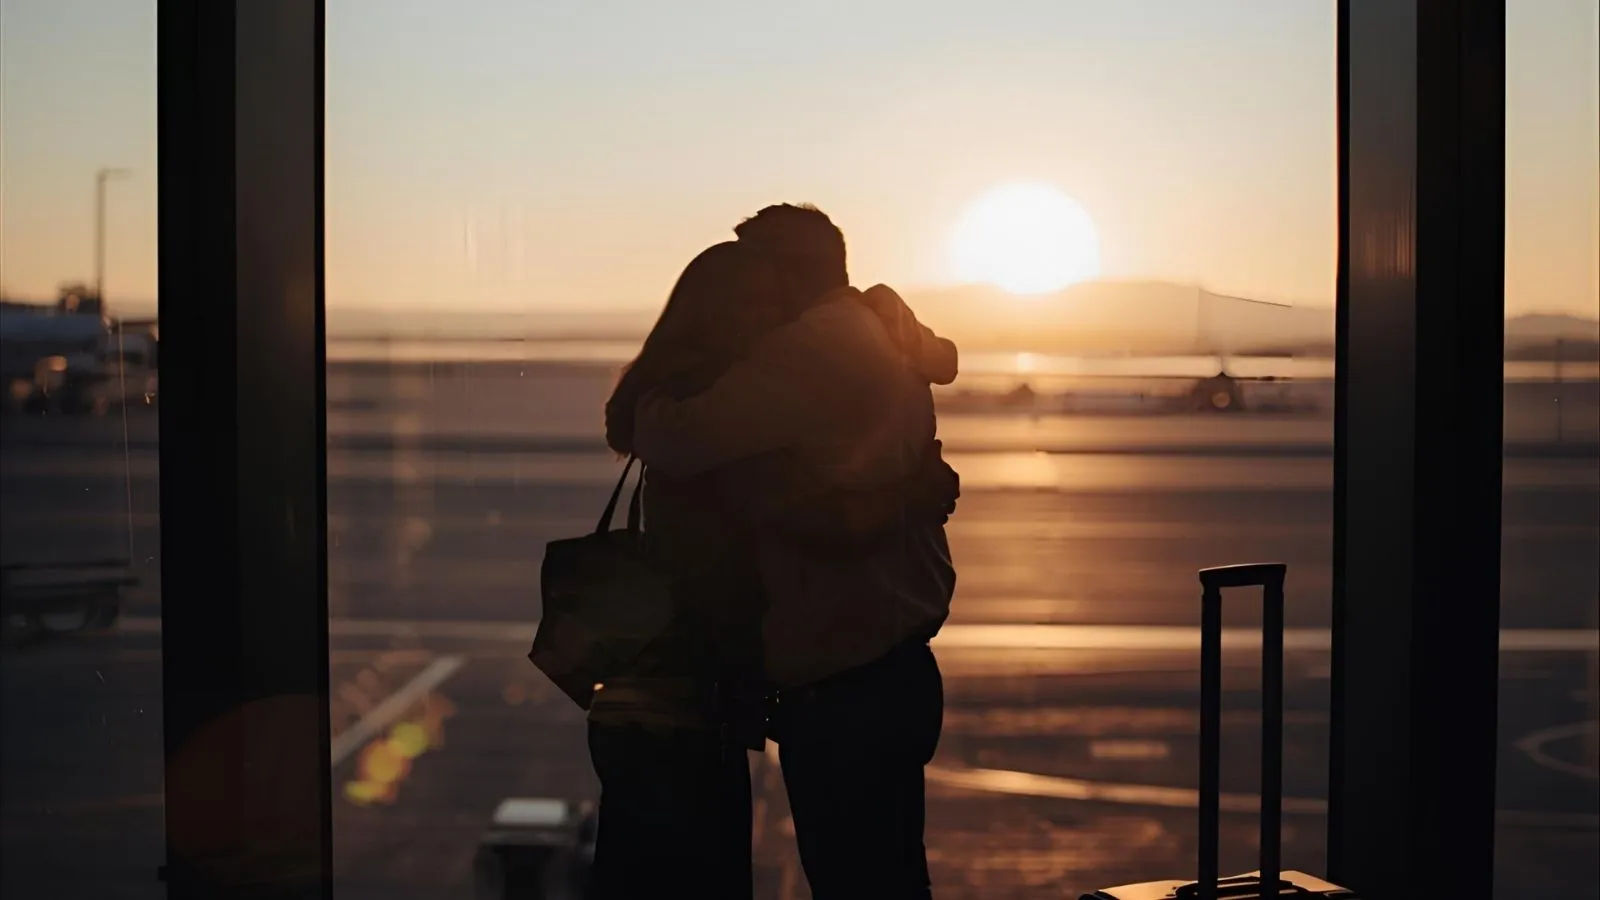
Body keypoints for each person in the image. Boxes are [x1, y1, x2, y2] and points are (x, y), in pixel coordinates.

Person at [630, 204, 959, 900]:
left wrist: (651, 392)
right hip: (892, 662)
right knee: (891, 876)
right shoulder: (878, 328)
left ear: (789, 272)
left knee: (858, 880)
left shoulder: (816, 347)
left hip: (847, 680)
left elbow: (679, 440)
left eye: (757, 273)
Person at [590, 241, 783, 900]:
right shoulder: (712, 410)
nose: (767, 318)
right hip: (688, 691)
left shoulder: (662, 397)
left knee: (634, 863)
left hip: (642, 685)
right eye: (754, 303)